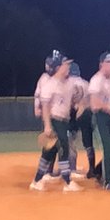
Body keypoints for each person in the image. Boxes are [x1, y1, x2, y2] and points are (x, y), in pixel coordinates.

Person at [29, 50, 83, 192]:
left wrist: (76, 103)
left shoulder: (69, 83)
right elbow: (45, 107)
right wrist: (47, 125)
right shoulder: (50, 83)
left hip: (64, 120)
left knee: (48, 152)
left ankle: (37, 180)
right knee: (64, 147)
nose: (68, 67)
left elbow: (74, 98)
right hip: (54, 119)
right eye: (65, 65)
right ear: (58, 67)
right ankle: (67, 181)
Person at [88, 52, 110, 190]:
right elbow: (94, 104)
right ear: (101, 64)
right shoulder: (96, 80)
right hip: (100, 117)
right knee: (108, 148)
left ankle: (99, 172)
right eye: (108, 63)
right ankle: (108, 181)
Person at [67, 62, 95, 180]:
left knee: (70, 141)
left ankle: (71, 168)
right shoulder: (86, 83)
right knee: (88, 143)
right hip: (87, 113)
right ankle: (92, 169)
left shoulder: (68, 83)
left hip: (72, 113)